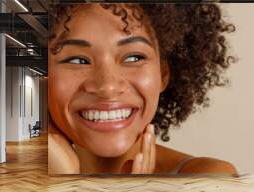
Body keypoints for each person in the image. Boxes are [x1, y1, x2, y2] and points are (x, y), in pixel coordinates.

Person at [48, 3, 238, 175]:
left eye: (133, 58)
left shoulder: (210, 177)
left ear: (163, 74)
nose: (107, 87)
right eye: (77, 60)